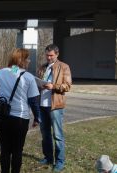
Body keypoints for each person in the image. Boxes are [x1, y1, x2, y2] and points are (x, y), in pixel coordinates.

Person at [0, 48, 41, 173]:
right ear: (23, 60)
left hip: (2, 118)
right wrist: (37, 118)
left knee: (5, 149)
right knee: (17, 150)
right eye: (27, 58)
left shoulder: (3, 72)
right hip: (20, 119)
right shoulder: (28, 77)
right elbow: (34, 101)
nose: (29, 61)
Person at [37, 44, 72, 172]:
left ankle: (60, 161)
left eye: (51, 55)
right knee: (45, 134)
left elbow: (67, 86)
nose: (49, 57)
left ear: (57, 54)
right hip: (42, 105)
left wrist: (54, 86)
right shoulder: (42, 67)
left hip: (55, 106)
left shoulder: (64, 67)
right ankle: (47, 157)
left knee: (57, 135)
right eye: (47, 55)